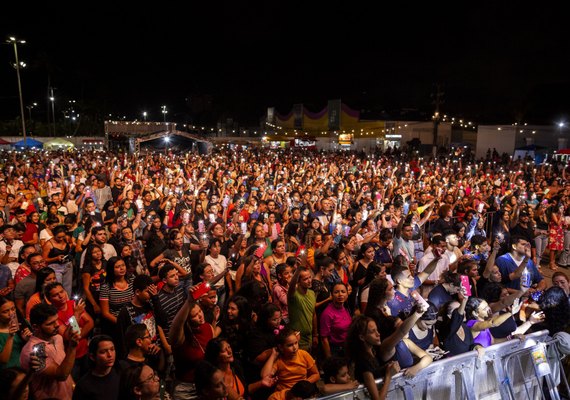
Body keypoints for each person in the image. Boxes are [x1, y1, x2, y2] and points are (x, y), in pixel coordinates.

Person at [20, 303, 81, 399]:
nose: (57, 325)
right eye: (50, 323)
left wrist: (72, 385)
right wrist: (72, 347)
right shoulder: (33, 350)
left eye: (56, 320)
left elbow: (65, 368)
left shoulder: (57, 338)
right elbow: (61, 375)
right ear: (36, 327)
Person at [169, 297, 217, 399]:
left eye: (200, 311)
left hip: (206, 385)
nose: (200, 315)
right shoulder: (181, 338)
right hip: (186, 389)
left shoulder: (208, 328)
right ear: (187, 320)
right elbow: (176, 325)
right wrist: (188, 302)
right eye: (195, 315)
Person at [345, 315, 401, 400]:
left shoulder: (373, 351)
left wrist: (386, 368)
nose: (378, 334)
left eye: (377, 330)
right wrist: (388, 376)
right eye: (372, 332)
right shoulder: (363, 362)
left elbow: (375, 372)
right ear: (362, 337)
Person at [204, 337, 275, 399]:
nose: (229, 351)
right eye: (224, 350)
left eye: (229, 347)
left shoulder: (235, 366)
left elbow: (245, 390)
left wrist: (261, 383)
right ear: (215, 356)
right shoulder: (214, 377)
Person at [260, 328, 320, 392]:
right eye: (290, 345)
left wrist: (303, 384)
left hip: (301, 392)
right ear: (281, 347)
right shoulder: (279, 360)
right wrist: (273, 355)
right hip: (284, 393)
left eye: (296, 343)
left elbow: (316, 374)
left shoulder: (304, 355)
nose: (295, 347)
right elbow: (264, 376)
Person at [72, 335, 120, 400]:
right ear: (92, 357)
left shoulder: (121, 373)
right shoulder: (84, 386)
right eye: (103, 352)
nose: (110, 355)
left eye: (112, 349)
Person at [99, 257, 134, 336]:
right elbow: (105, 313)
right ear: (111, 269)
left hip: (134, 320)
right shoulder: (106, 287)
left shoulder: (132, 280)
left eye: (123, 265)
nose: (121, 268)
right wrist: (122, 323)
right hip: (116, 324)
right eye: (117, 267)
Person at [287, 266, 317, 352]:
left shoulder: (312, 293)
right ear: (298, 281)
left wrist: (315, 335)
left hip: (310, 337)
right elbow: (291, 286)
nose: (309, 280)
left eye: (309, 277)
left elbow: (313, 314)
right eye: (305, 279)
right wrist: (298, 271)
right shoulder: (293, 295)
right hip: (297, 338)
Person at [319, 282, 351, 359]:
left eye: (343, 292)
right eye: (336, 292)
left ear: (347, 294)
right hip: (335, 350)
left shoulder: (346, 308)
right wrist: (329, 358)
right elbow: (324, 338)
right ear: (332, 295)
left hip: (346, 347)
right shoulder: (327, 313)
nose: (340, 294)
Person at [0, 297, 32, 369]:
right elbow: (3, 360)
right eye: (5, 311)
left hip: (26, 369)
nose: (11, 314)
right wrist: (10, 336)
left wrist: (28, 340)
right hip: (9, 373)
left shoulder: (23, 323)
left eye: (13, 309)